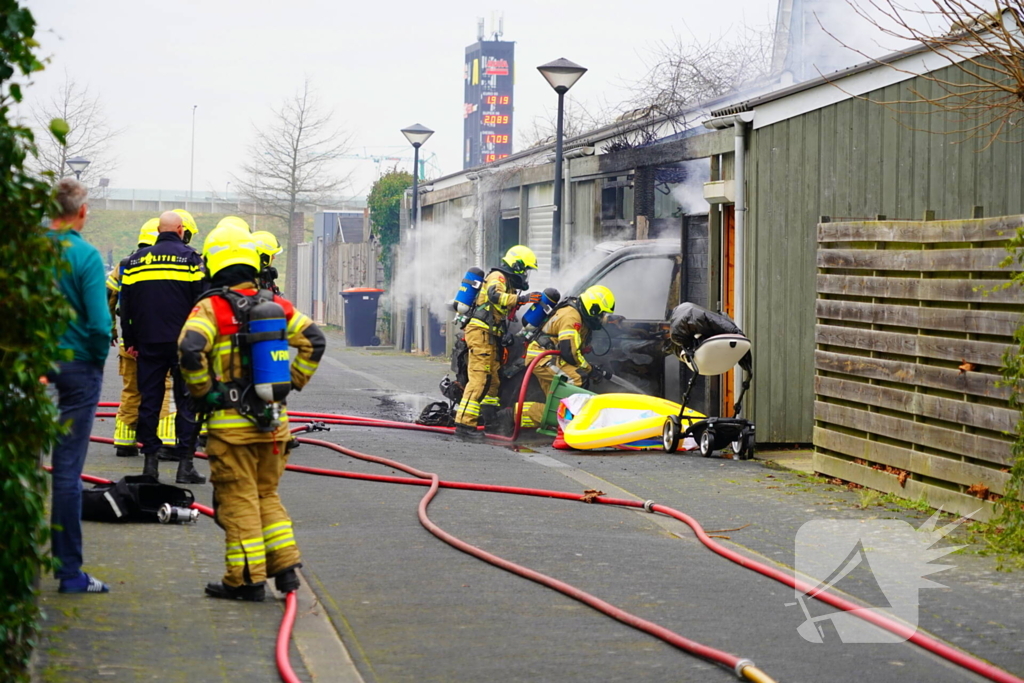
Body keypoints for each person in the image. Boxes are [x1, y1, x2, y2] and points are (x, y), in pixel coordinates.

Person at [178, 225, 325, 601]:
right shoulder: (275, 307)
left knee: (239, 500)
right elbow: (314, 340)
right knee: (266, 495)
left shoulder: (211, 308)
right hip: (275, 427)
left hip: (232, 432)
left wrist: (204, 392)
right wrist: (291, 384)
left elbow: (190, 346)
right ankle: (287, 569)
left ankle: (244, 581)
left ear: (214, 263)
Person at [47, 178, 111, 594]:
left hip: (28, 363)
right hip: (77, 370)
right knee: (67, 473)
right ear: (82, 212)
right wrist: (95, 360)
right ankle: (69, 573)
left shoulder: (25, 253)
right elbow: (100, 324)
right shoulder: (85, 257)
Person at [120, 210, 207, 483]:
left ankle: (150, 466)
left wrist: (131, 341)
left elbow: (127, 306)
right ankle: (185, 466)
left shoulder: (135, 262)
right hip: (184, 344)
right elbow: (201, 303)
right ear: (181, 229)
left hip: (148, 342)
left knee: (150, 401)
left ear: (159, 230)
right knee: (187, 402)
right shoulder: (192, 260)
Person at [105, 218, 176, 459]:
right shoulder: (168, 264)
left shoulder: (125, 265)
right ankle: (165, 440)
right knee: (163, 388)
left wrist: (111, 331)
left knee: (131, 390)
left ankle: (124, 441)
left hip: (130, 341)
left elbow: (109, 299)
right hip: (160, 339)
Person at [453, 245, 537, 441]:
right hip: (480, 333)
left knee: (493, 381)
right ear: (516, 265)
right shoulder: (498, 277)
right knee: (479, 378)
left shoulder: (508, 282)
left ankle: (489, 420)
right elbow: (494, 295)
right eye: (525, 269)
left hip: (490, 335)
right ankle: (464, 424)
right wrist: (521, 299)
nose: (526, 275)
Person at [517, 285, 617, 430]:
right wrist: (589, 370)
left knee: (556, 407)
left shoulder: (581, 315)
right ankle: (571, 426)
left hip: (552, 358)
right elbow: (569, 351)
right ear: (592, 309)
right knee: (575, 379)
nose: (601, 319)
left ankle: (511, 416)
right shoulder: (571, 316)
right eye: (600, 315)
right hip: (541, 357)